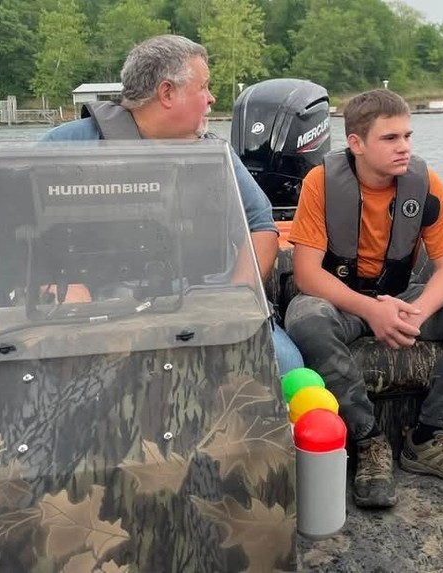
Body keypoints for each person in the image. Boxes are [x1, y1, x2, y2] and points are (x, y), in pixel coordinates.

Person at [284, 89, 443, 508]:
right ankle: (369, 442)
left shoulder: (424, 184)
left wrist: (412, 313)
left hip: (405, 296)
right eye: (390, 138)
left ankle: (429, 438)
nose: (404, 147)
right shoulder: (320, 183)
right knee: (305, 318)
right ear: (356, 143)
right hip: (343, 300)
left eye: (407, 135)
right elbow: (307, 274)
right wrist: (373, 310)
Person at [40, 34, 303, 376]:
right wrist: (58, 285)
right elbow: (0, 232)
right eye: (204, 87)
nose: (212, 99)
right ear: (167, 93)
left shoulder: (216, 153)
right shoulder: (65, 146)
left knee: (288, 366)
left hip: (206, 307)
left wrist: (236, 297)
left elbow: (261, 226)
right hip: (103, 312)